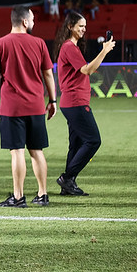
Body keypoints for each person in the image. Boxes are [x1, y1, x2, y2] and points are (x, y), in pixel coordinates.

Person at [0, 5, 57, 208]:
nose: (34, 22)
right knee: (37, 151)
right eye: (32, 19)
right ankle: (42, 194)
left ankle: (18, 197)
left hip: (12, 108)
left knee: (17, 151)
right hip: (36, 106)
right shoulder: (40, 43)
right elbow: (48, 74)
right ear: (25, 22)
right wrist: (52, 101)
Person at [52, 13, 115, 196]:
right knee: (93, 140)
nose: (84, 29)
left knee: (76, 144)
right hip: (75, 103)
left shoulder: (70, 47)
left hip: (71, 102)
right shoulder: (69, 48)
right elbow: (88, 70)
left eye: (85, 26)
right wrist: (104, 50)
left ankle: (68, 186)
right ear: (70, 26)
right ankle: (68, 177)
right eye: (80, 26)